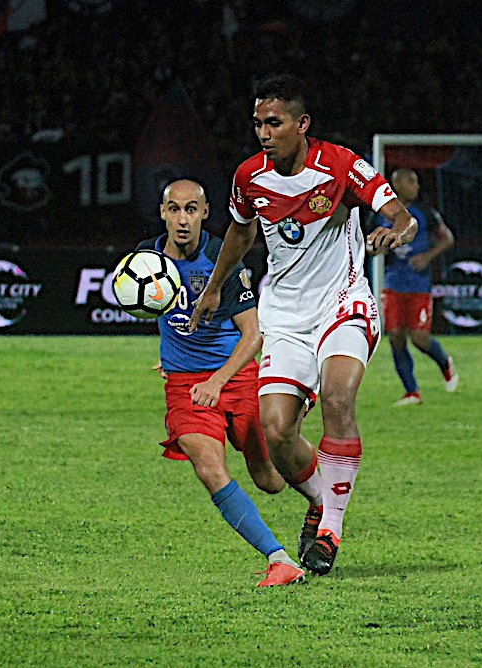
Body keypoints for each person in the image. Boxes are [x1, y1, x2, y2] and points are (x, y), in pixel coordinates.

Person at [189, 74, 418, 576]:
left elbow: (401, 215)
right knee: (276, 431)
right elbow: (240, 232)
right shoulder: (249, 176)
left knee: (337, 398)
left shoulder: (341, 165)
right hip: (285, 316)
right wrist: (214, 288)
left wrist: (395, 233)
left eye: (274, 123)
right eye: (258, 124)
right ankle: (320, 498)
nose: (263, 133)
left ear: (302, 124)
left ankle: (330, 530)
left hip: (343, 304)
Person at [139, 178, 305, 588]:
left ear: (205, 213)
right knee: (209, 469)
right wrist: (170, 355)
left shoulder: (222, 259)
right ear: (162, 214)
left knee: (271, 481)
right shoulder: (146, 260)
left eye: (191, 209)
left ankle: (323, 498)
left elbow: (254, 335)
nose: (182, 219)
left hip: (237, 374)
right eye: (174, 209)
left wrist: (217, 381)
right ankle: (279, 559)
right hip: (185, 386)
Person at [377, 168, 459, 406]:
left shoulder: (425, 213)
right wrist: (379, 247)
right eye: (412, 182)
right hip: (392, 283)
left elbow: (447, 238)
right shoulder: (382, 213)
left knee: (419, 338)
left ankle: (444, 363)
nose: (417, 186)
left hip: (418, 285)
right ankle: (412, 392)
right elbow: (371, 244)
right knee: (395, 337)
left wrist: (427, 256)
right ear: (397, 185)